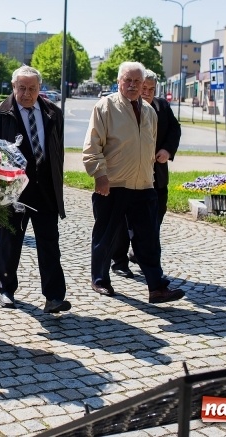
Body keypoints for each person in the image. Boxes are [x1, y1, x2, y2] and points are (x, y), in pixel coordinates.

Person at [83, 61, 185, 304]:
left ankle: (157, 288)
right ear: (119, 82)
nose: (132, 85)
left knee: (149, 240)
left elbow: (148, 147)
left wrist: (150, 179)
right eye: (127, 80)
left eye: (137, 82)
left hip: (143, 186)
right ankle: (100, 279)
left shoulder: (150, 112)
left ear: (144, 85)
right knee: (106, 235)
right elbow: (92, 145)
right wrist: (99, 175)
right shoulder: (105, 107)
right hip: (113, 184)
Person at [0, 65, 70, 314]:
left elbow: (58, 151)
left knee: (49, 243)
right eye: (21, 88)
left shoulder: (53, 112)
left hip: (45, 188)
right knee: (10, 241)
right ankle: (7, 289)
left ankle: (54, 296)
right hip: (13, 189)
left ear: (39, 89)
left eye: (32, 88)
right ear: (13, 87)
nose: (26, 93)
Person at [110, 69, 181, 277]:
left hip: (156, 177)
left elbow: (174, 131)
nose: (147, 92)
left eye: (152, 89)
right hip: (127, 176)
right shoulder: (123, 108)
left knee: (153, 219)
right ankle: (119, 261)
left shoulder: (161, 107)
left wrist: (167, 150)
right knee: (123, 223)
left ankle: (141, 255)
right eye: (144, 88)